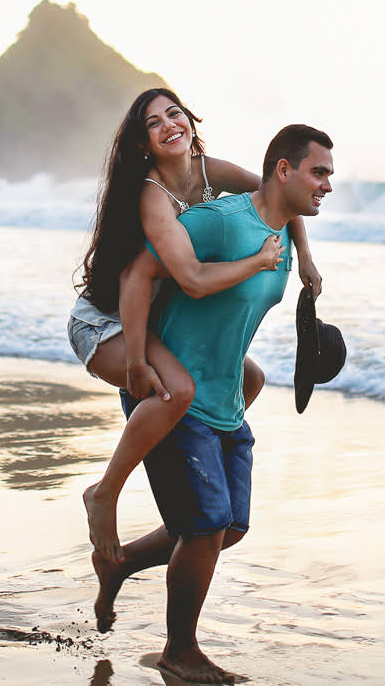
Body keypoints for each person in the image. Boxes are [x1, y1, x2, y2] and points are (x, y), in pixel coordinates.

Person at [94, 124, 334, 685]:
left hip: (223, 396)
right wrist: (137, 363)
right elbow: (138, 272)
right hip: (175, 396)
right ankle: (180, 652)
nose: (327, 185)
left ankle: (120, 564)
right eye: (319, 173)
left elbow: (281, 224)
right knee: (204, 527)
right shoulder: (222, 221)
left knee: (229, 527)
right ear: (283, 170)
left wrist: (306, 258)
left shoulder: (280, 233)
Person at [70, 90, 322, 563]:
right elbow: (191, 280)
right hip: (107, 320)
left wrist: (304, 256)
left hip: (155, 313)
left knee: (250, 378)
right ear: (142, 143)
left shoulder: (208, 170)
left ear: (189, 119)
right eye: (153, 123)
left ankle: (188, 456)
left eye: (174, 113)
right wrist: (138, 360)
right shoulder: (152, 196)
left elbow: (281, 194)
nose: (169, 125)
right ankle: (104, 493)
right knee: (179, 390)